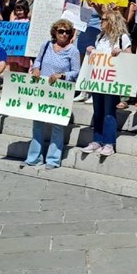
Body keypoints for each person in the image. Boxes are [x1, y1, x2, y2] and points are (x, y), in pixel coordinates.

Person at [23, 19, 81, 169]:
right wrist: (36, 68)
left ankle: (53, 160)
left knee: (57, 126)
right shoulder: (47, 45)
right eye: (61, 31)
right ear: (54, 31)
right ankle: (34, 157)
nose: (63, 34)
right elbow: (38, 60)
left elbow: (76, 72)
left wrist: (61, 75)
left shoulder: (73, 51)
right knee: (37, 124)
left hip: (59, 92)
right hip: (42, 90)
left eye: (67, 32)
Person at [80, 8, 132, 157]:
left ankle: (109, 143)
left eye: (103, 20)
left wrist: (120, 52)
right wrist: (92, 50)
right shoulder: (100, 37)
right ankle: (97, 140)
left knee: (109, 112)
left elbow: (130, 57)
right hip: (98, 80)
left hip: (112, 81)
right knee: (98, 111)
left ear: (112, 22)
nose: (101, 22)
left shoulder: (122, 38)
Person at [6, 0, 32, 72]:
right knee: (12, 68)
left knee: (22, 69)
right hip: (13, 50)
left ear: (26, 10)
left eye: (20, 10)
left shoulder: (28, 22)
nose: (18, 12)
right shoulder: (13, 21)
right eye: (17, 10)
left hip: (22, 51)